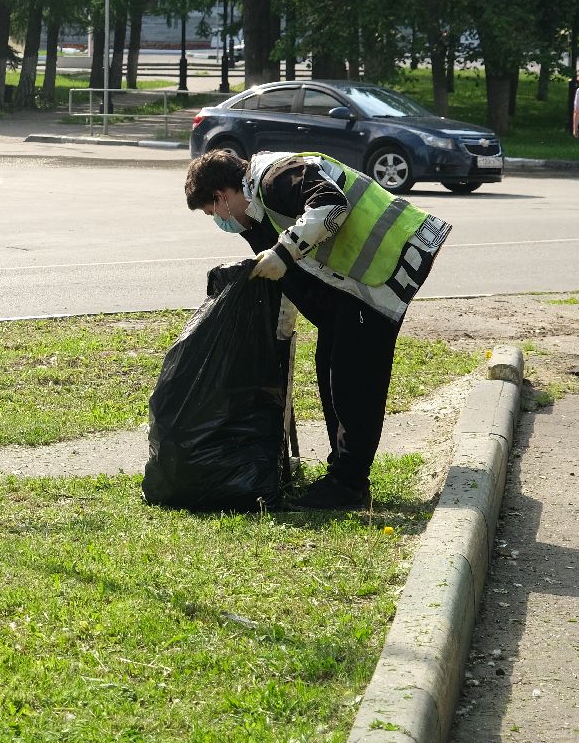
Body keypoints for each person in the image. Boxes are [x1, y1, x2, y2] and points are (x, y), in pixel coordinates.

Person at [183, 148, 452, 510]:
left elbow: (332, 206)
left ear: (222, 195)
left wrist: (284, 251)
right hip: (361, 283)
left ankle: (349, 485)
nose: (219, 220)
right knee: (331, 369)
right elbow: (293, 279)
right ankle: (341, 477)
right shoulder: (259, 213)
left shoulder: (275, 176)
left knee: (353, 381)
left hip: (386, 267)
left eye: (212, 211)